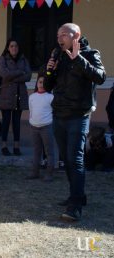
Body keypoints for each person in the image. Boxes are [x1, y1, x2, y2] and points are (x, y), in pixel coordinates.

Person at [44, 23, 106, 221]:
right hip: (59, 114)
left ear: (76, 35)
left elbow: (100, 77)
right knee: (67, 159)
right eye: (58, 34)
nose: (59, 38)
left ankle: (75, 205)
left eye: (64, 34)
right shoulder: (58, 56)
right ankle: (77, 195)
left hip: (79, 115)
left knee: (75, 159)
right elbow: (47, 86)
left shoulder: (90, 53)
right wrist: (48, 71)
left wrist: (78, 59)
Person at [0, 38, 31, 156]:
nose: (14, 48)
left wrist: (14, 76)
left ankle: (16, 147)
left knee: (17, 122)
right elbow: (4, 75)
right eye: (11, 46)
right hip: (6, 94)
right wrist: (19, 72)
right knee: (6, 121)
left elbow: (28, 76)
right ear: (8, 48)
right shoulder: (2, 59)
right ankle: (4, 146)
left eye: (16, 46)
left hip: (19, 94)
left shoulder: (23, 59)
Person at [26, 74, 55, 182]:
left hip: (46, 127)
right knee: (36, 151)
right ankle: (35, 172)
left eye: (43, 82)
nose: (41, 84)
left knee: (49, 151)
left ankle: (49, 173)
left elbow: (53, 111)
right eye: (39, 82)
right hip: (34, 127)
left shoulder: (51, 97)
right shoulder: (32, 97)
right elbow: (31, 110)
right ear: (36, 83)